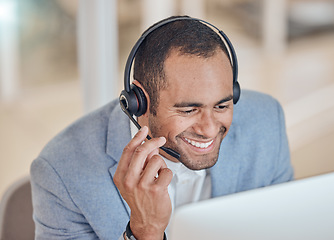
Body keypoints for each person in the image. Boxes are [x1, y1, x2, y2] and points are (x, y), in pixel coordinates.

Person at [30, 16, 294, 240]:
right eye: (189, 110)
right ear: (140, 102)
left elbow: (286, 228)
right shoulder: (61, 173)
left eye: (222, 106)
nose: (210, 129)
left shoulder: (266, 121)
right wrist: (145, 232)